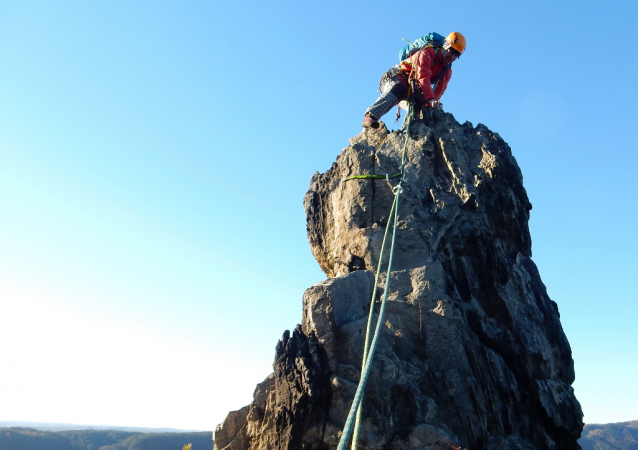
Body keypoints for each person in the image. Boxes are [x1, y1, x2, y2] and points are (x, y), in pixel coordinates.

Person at [362, 32, 466, 129]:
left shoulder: (446, 70)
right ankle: (371, 115)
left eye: (456, 54)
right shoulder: (428, 52)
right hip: (395, 78)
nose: (452, 56)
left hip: (411, 90)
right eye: (451, 51)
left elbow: (439, 90)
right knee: (400, 88)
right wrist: (430, 98)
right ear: (445, 46)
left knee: (418, 107)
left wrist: (430, 104)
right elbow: (423, 76)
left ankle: (408, 132)